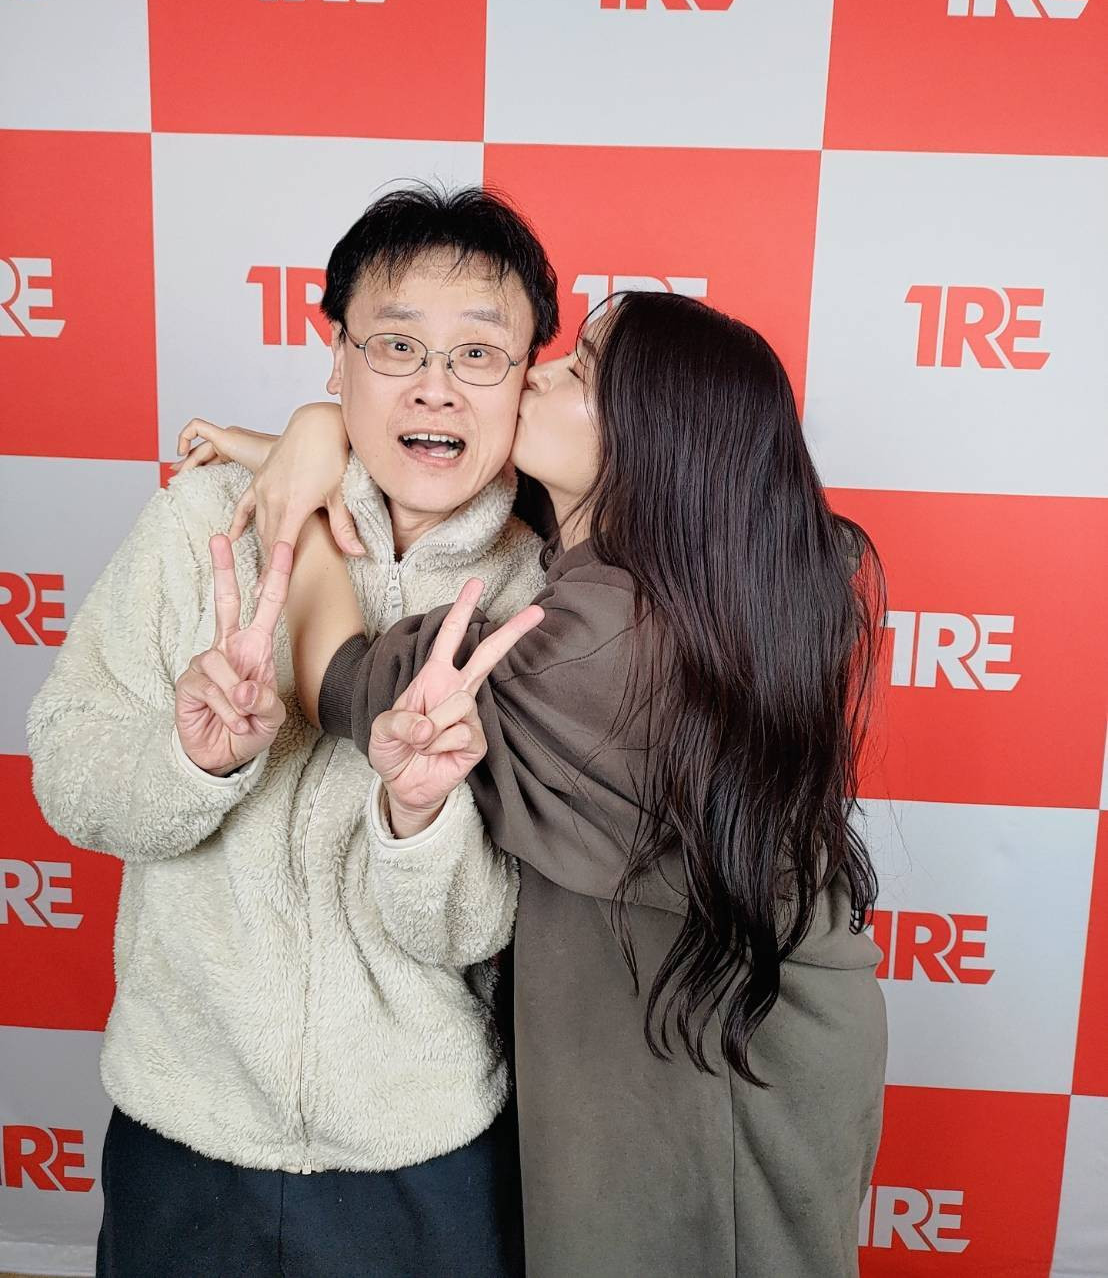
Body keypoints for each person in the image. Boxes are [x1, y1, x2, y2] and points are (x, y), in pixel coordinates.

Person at [202, 290, 890, 1278]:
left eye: (581, 371)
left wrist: (298, 518)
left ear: (652, 440)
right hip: (708, 1021)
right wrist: (314, 430)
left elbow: (336, 677)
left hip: (721, 1067)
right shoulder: (678, 581)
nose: (537, 372)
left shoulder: (597, 648)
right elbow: (429, 457)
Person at [26, 184, 561, 1277]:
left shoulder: (545, 597)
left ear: (525, 380)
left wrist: (418, 818)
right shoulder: (204, 519)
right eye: (397, 345)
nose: (436, 386)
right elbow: (68, 767)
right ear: (336, 356)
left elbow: (479, 927)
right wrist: (190, 760)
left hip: (423, 1153)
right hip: (187, 1127)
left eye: (478, 355)